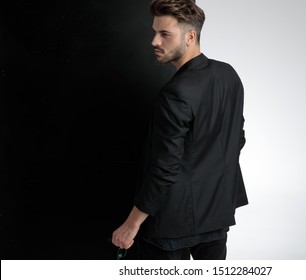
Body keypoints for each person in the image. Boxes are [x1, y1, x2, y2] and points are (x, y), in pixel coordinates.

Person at [112, 0, 248, 260]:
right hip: (217, 216)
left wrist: (131, 225)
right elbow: (236, 139)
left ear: (190, 36)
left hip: (170, 225)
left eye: (164, 34)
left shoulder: (175, 93)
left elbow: (165, 167)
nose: (154, 41)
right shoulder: (229, 75)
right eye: (154, 32)